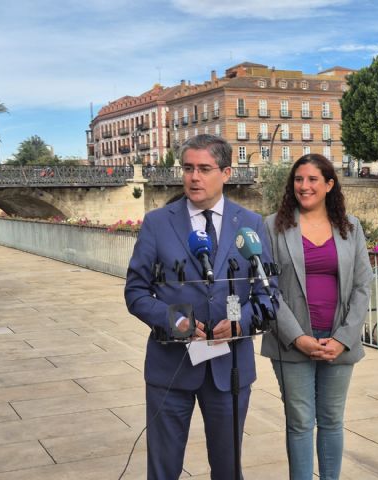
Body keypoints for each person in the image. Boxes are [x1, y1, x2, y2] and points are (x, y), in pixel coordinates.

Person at [125, 134, 274, 479]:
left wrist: (242, 323)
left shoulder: (250, 223)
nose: (194, 177)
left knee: (227, 469)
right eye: (188, 168)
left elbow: (267, 293)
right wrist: (176, 320)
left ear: (226, 172)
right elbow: (136, 292)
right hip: (170, 368)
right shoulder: (158, 223)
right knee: (163, 469)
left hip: (230, 369)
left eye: (204, 169)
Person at [261, 153, 372, 480]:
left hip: (338, 340)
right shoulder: (273, 226)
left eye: (312, 179)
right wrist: (298, 338)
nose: (304, 186)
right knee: (299, 423)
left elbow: (363, 285)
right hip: (291, 341)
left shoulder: (350, 227)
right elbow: (266, 287)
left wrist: (343, 338)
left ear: (329, 184)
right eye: (298, 179)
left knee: (332, 420)